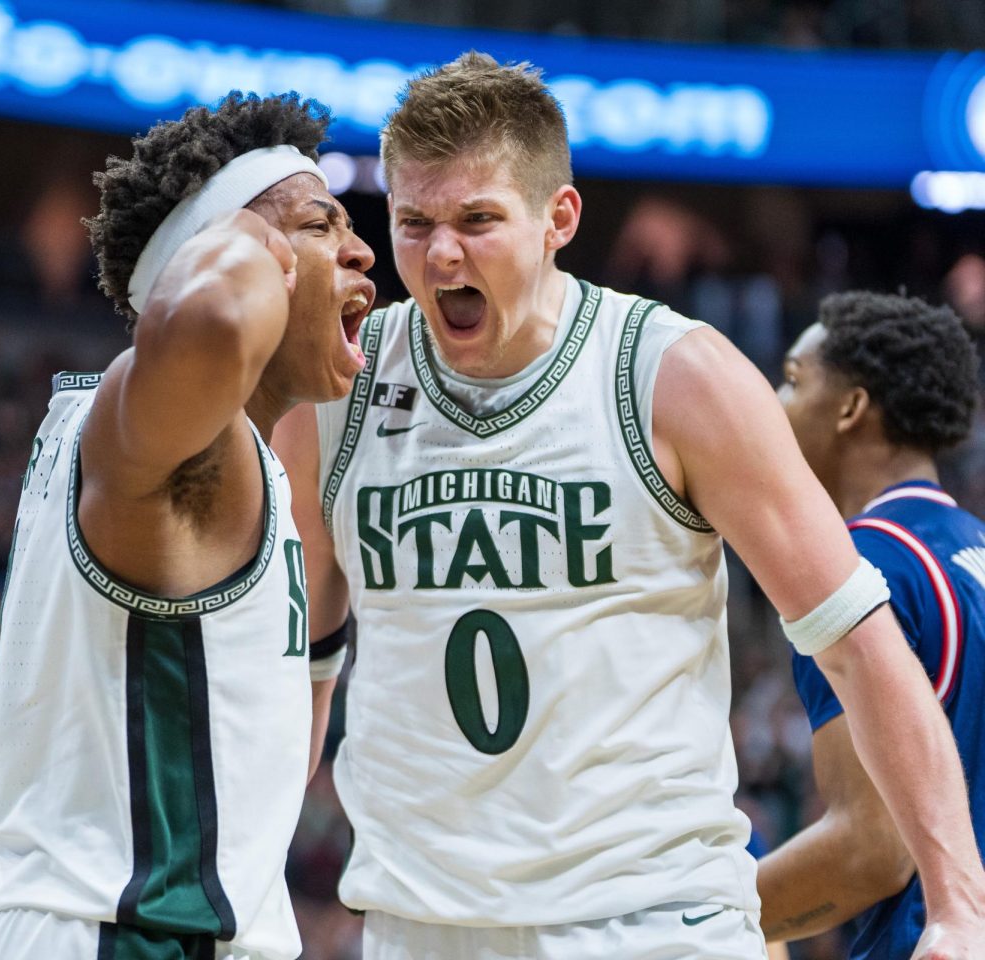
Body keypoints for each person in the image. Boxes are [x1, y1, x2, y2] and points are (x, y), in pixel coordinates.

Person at [273, 53, 985, 959]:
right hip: (419, 922)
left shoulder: (675, 374)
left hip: (647, 922)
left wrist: (961, 904)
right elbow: (301, 670)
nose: (440, 251)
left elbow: (859, 642)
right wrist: (244, 871)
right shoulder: (339, 386)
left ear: (557, 219)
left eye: (477, 220)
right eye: (413, 221)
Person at [0, 92, 376, 960]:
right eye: (319, 224)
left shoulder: (224, 457)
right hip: (126, 937)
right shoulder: (175, 439)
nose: (361, 248)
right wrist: (250, 238)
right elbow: (215, 321)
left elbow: (260, 782)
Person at [762, 292, 985, 959]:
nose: (774, 401)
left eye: (794, 380)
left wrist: (689, 920)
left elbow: (869, 849)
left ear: (852, 408)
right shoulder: (972, 546)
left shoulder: (860, 564)